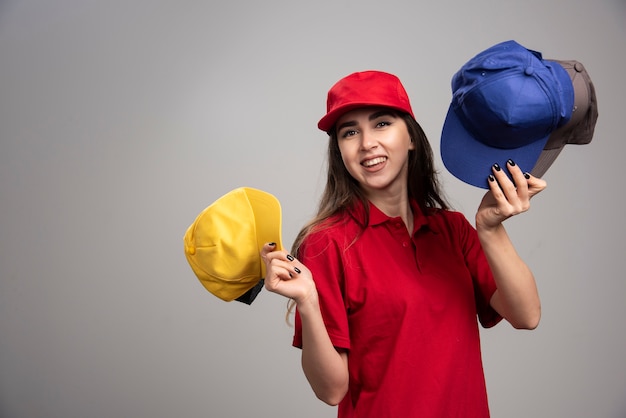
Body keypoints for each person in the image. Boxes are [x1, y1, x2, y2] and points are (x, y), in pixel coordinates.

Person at [260, 70, 545, 418]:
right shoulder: (325, 243)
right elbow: (331, 390)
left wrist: (489, 228)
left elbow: (527, 315)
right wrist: (307, 300)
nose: (367, 143)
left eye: (382, 124)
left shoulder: (453, 230)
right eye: (350, 132)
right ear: (340, 151)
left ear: (410, 137)